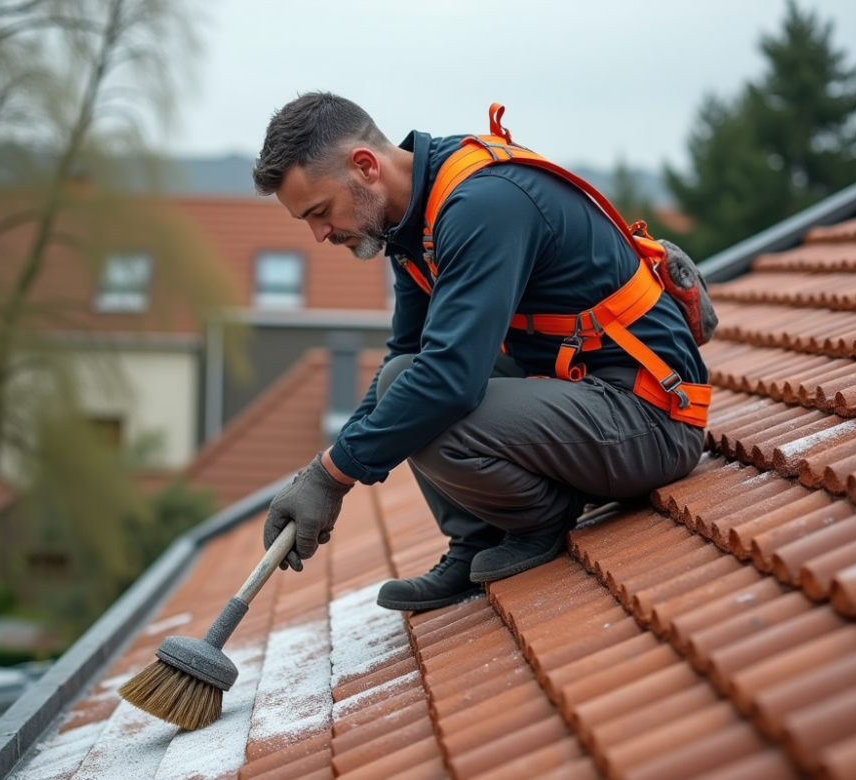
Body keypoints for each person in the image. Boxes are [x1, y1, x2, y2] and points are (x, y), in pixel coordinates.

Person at [253, 92, 708, 611]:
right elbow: (406, 357)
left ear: (364, 166)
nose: (319, 235)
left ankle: (540, 520)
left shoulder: (481, 205)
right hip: (581, 397)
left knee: (429, 408)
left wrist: (332, 477)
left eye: (320, 211)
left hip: (652, 417)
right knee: (400, 377)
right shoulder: (411, 226)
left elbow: (449, 379)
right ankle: (477, 541)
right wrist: (319, 470)